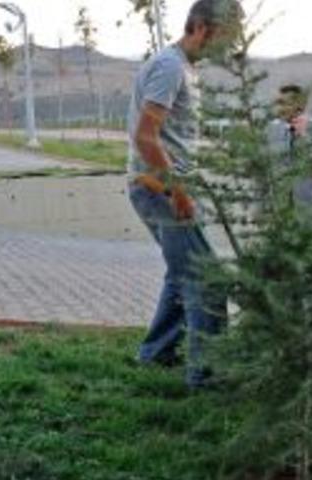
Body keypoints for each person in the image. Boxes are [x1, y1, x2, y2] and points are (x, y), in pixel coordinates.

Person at [126, 0, 244, 388]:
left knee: (182, 275)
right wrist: (177, 190)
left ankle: (156, 353)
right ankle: (207, 375)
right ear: (202, 27)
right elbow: (145, 136)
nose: (228, 46)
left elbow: (173, 134)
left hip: (166, 189)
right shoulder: (170, 67)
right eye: (226, 36)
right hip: (159, 190)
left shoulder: (186, 68)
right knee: (206, 279)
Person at [267, 83, 312, 212]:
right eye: (279, 103)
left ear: (300, 106)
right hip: (281, 207)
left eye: (286, 104)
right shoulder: (271, 130)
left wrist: (304, 136)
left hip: (311, 206)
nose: (281, 108)